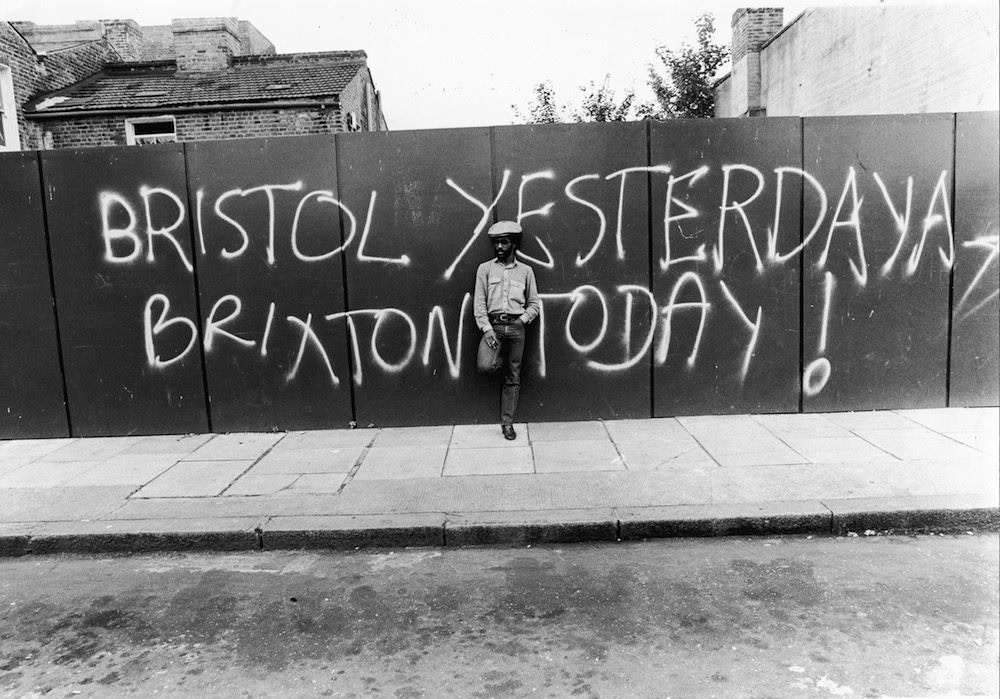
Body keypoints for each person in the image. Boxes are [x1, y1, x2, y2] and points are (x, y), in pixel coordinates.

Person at [473, 220, 541, 440]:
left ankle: (507, 423)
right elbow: (479, 304)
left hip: (516, 328)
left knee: (513, 376)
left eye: (504, 243)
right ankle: (498, 360)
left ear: (514, 245)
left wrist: (522, 320)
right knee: (485, 365)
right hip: (493, 326)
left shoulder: (526, 271)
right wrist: (487, 329)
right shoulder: (485, 269)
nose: (499, 247)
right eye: (496, 243)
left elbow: (534, 304)